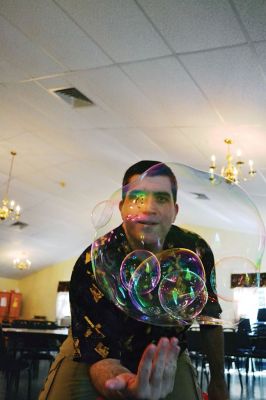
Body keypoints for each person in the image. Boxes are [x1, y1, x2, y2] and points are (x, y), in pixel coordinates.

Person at [39, 160, 229, 400]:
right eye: (137, 197)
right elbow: (99, 355)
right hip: (91, 350)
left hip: (167, 351)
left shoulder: (196, 251)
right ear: (122, 208)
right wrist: (125, 384)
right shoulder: (92, 263)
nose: (148, 207)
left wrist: (219, 383)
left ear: (175, 210)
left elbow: (210, 318)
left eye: (161, 198)